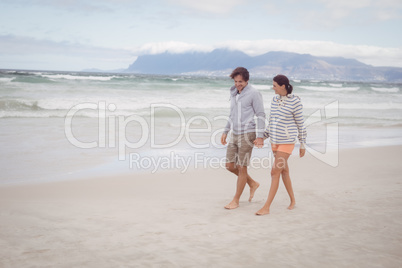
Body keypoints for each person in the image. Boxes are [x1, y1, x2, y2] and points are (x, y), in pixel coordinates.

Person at [255, 74, 307, 215]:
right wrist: (262, 137)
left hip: (287, 142)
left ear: (283, 86)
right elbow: (271, 122)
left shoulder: (295, 102)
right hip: (275, 142)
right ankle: (293, 200)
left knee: (274, 171)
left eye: (274, 86)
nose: (273, 88)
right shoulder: (274, 100)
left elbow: (300, 124)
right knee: (284, 171)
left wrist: (303, 144)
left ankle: (266, 207)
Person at [221, 67, 266, 209]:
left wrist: (260, 136)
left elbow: (261, 115)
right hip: (235, 133)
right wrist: (225, 131)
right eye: (235, 81)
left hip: (248, 133)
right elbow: (232, 114)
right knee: (229, 166)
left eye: (240, 81)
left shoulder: (254, 93)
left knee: (241, 167)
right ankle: (252, 183)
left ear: (247, 80)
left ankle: (236, 200)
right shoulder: (234, 93)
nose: (238, 84)